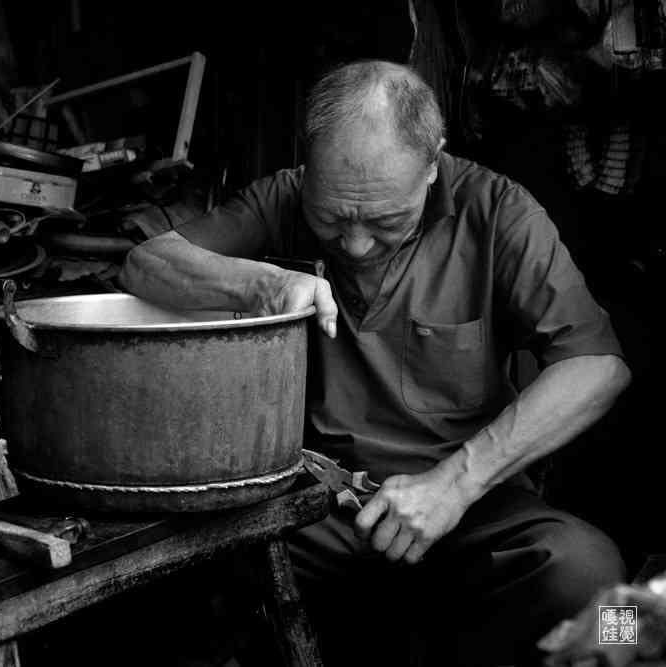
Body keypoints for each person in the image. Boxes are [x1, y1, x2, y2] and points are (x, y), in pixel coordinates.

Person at [118, 60, 632, 665]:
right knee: (160, 579)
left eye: (386, 220)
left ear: (433, 162)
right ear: (308, 165)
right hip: (311, 507)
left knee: (606, 595)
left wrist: (456, 482)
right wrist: (260, 285)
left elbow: (599, 365)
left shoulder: (498, 212)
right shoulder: (282, 197)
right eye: (332, 217)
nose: (355, 244)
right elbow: (144, 265)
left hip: (467, 506)